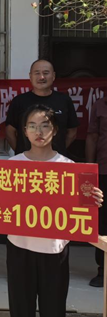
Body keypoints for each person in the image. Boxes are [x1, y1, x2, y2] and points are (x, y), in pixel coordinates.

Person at [0, 104, 103, 317]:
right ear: (25, 131)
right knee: (20, 308)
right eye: (32, 126)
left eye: (45, 125)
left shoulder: (69, 166)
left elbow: (83, 209)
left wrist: (93, 201)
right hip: (19, 248)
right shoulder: (12, 165)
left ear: (55, 130)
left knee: (53, 308)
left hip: (55, 250)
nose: (39, 132)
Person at [6, 59, 78, 156]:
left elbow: (72, 132)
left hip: (56, 160)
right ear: (30, 76)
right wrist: (22, 154)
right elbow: (10, 132)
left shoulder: (64, 100)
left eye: (46, 73)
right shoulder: (19, 101)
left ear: (53, 76)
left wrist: (58, 151)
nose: (41, 77)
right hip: (26, 161)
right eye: (37, 73)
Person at [86, 97, 107, 287]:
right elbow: (92, 136)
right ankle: (103, 270)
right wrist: (90, 170)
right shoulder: (100, 105)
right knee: (102, 222)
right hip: (103, 170)